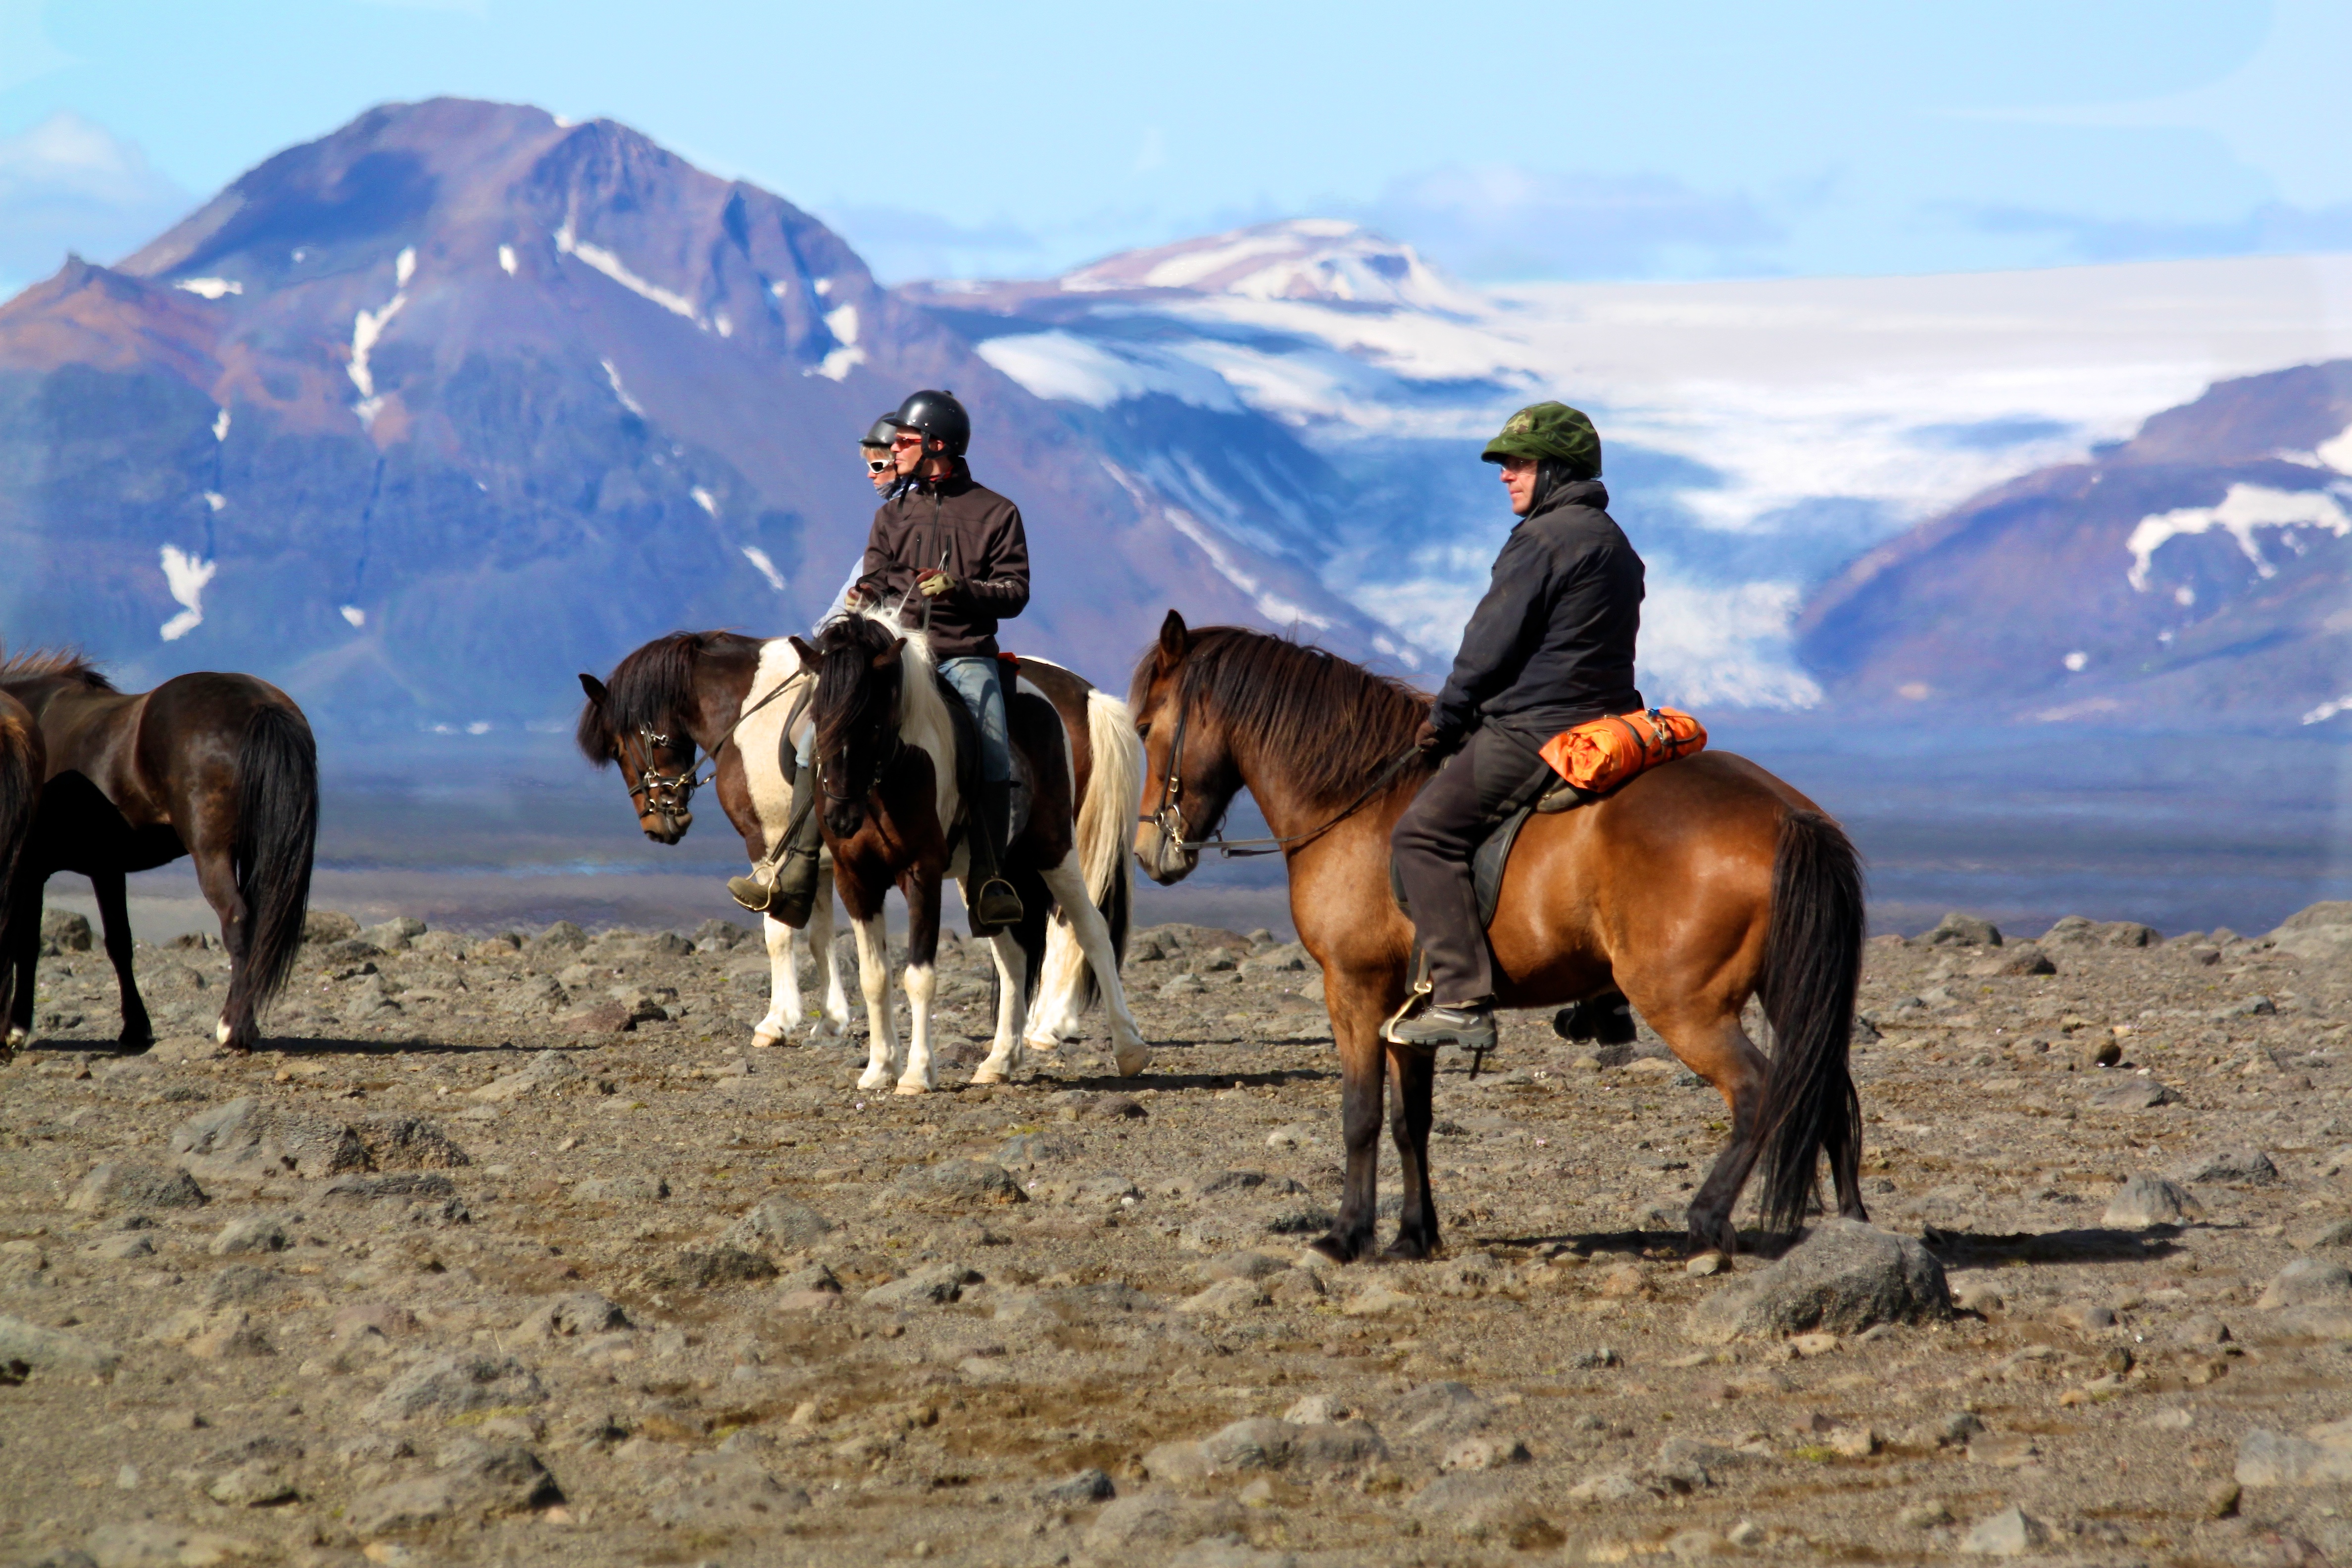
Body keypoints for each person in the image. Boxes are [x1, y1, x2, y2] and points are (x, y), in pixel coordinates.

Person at [1388, 402, 1645, 1054]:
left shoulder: (1542, 539)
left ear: (1557, 472)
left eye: (1521, 463)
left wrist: (1444, 719)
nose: (1506, 475)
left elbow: (1488, 648)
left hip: (1537, 728)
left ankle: (1463, 998)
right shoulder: (1615, 541)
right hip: (1618, 723)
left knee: (1422, 836)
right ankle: (1605, 997)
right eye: (1505, 464)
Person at [741, 389, 1031, 934]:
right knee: (811, 739)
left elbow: (1015, 592)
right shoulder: (892, 514)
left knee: (993, 749)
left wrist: (963, 590)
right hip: (894, 653)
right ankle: (798, 871)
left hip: (961, 653)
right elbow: (874, 574)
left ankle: (991, 880)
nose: (892, 451)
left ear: (937, 445)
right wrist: (861, 597)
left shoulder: (999, 513)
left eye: (903, 442)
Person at [726, 413, 910, 917]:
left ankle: (986, 859)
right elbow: (847, 600)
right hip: (858, 658)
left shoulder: (927, 516)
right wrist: (826, 638)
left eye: (877, 463)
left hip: (902, 658)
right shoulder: (885, 522)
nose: (871, 474)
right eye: (867, 465)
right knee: (810, 737)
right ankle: (802, 863)